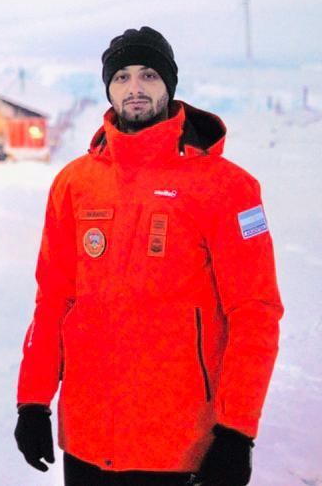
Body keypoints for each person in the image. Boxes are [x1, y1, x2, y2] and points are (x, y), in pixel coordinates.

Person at [14, 27, 282, 486]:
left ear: (170, 85)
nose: (134, 89)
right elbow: (54, 299)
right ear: (108, 88)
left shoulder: (228, 187)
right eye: (121, 77)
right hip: (87, 440)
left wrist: (238, 431)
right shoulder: (75, 183)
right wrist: (33, 401)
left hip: (180, 447)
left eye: (149, 75)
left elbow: (255, 311)